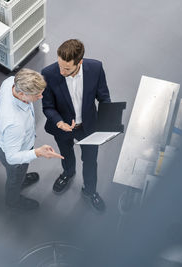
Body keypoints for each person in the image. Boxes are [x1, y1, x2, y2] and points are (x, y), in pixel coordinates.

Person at [41, 39, 111, 211]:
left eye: (67, 68)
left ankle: (90, 191)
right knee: (65, 153)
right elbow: (48, 107)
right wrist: (59, 122)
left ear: (79, 62)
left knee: (90, 161)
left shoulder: (95, 68)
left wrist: (109, 124)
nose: (61, 71)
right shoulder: (49, 73)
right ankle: (68, 173)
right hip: (63, 128)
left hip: (89, 127)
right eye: (60, 65)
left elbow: (104, 98)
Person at [0, 68, 63, 211]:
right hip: (15, 154)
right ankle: (13, 201)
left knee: (17, 176)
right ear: (21, 94)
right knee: (14, 177)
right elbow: (12, 158)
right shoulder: (15, 124)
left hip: (11, 142)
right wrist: (37, 152)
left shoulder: (9, 83)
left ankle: (20, 180)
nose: (41, 97)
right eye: (36, 95)